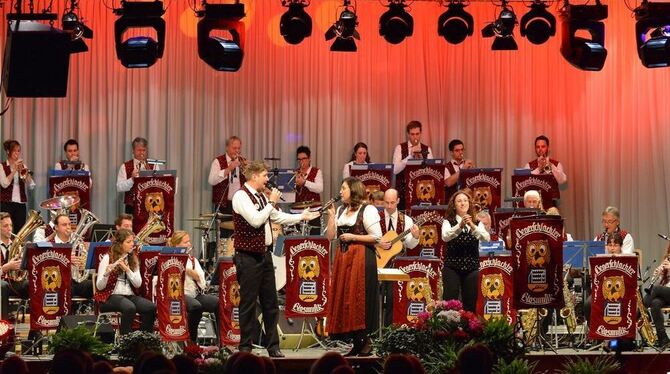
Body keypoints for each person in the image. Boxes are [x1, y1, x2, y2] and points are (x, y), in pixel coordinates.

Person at [232, 161, 319, 356]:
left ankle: (273, 347)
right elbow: (256, 220)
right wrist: (271, 201)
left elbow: (277, 217)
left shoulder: (262, 197)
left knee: (270, 303)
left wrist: (301, 217)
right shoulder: (240, 196)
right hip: (247, 257)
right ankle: (245, 347)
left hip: (264, 255)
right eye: (264, 175)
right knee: (248, 303)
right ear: (254, 177)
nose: (267, 179)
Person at [326, 177, 383, 356]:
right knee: (347, 297)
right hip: (344, 259)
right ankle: (357, 342)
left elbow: (377, 237)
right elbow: (331, 237)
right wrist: (330, 217)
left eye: (344, 188)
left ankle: (367, 341)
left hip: (362, 258)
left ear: (354, 190)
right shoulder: (342, 210)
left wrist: (353, 237)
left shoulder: (368, 209)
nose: (341, 191)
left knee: (361, 297)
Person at [95, 229, 156, 334]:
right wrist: (106, 274)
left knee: (150, 308)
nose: (132, 244)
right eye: (128, 242)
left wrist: (127, 269)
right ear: (119, 244)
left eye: (132, 241)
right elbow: (99, 287)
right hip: (109, 297)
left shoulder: (133, 259)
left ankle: (143, 340)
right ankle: (125, 342)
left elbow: (138, 283)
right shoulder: (107, 258)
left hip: (129, 296)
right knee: (129, 308)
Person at [441, 190, 490, 312]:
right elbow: (445, 236)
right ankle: (448, 329)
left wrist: (472, 226)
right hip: (452, 267)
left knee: (470, 303)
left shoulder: (477, 223)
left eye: (465, 201)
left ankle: (469, 329)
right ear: (454, 205)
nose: (462, 203)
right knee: (450, 302)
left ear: (469, 204)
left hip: (471, 267)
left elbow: (486, 238)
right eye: (459, 201)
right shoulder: (448, 222)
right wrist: (460, 225)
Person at [168, 231, 219, 344]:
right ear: (176, 245)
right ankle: (191, 340)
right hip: (177, 295)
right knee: (196, 307)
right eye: (186, 242)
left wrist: (192, 273)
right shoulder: (169, 259)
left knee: (217, 303)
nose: (189, 244)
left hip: (195, 294)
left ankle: (221, 342)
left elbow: (202, 282)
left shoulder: (193, 260)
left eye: (189, 241)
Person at [47, 213, 93, 299]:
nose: (68, 227)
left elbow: (84, 270)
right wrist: (66, 260)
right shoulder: (49, 245)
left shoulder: (78, 245)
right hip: (58, 283)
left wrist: (83, 261)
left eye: (69, 224)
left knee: (95, 283)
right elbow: (47, 267)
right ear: (56, 227)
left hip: (76, 281)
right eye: (64, 225)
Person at [392, 121, 433, 210]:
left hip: (421, 192)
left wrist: (422, 158)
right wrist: (410, 156)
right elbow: (395, 170)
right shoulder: (399, 148)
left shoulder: (427, 149)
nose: (415, 137)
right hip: (403, 192)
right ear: (408, 134)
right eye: (412, 134)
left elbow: (431, 172)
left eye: (417, 134)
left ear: (421, 133)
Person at [1, 140, 35, 233]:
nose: (17, 153)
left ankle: (18, 248)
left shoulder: (23, 166)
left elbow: (31, 186)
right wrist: (14, 170)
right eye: (14, 150)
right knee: (6, 231)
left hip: (20, 204)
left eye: (18, 150)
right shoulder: (2, 166)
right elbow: (4, 184)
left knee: (19, 232)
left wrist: (26, 174)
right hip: (6, 204)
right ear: (8, 151)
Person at [209, 136, 247, 214]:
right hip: (224, 205)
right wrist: (229, 168)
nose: (237, 151)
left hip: (241, 204)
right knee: (224, 226)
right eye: (234, 148)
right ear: (227, 148)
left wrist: (248, 169)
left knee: (240, 226)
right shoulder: (218, 161)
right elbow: (211, 181)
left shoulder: (243, 161)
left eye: (239, 148)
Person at [116, 137, 155, 215]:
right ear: (133, 151)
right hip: (131, 206)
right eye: (139, 150)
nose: (142, 153)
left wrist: (150, 174)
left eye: (144, 150)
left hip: (150, 205)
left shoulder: (154, 165)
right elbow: (119, 187)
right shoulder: (125, 166)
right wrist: (132, 179)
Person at [293, 146, 323, 235]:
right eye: (299, 159)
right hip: (297, 210)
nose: (301, 161)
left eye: (304, 159)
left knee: (314, 239)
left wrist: (304, 182)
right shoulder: (294, 172)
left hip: (313, 210)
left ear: (309, 159)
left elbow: (319, 188)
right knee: (297, 240)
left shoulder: (317, 171)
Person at [644, 243, 670, 348]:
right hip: (666, 293)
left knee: (655, 289)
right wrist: (658, 274)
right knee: (655, 303)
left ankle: (639, 310)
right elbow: (661, 282)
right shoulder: (667, 259)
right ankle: (663, 338)